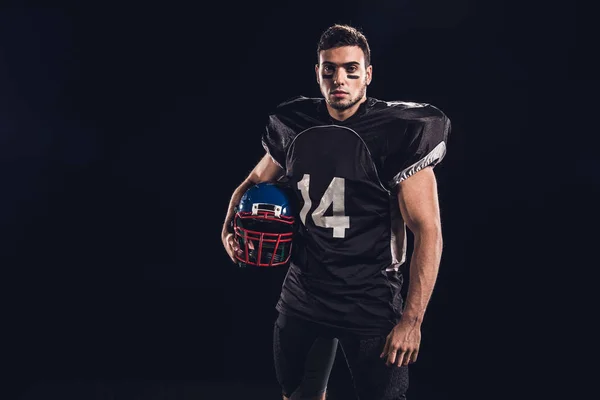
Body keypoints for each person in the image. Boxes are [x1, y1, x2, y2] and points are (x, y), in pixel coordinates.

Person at [221, 23, 450, 400]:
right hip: (304, 294)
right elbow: (252, 180)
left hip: (370, 300)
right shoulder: (295, 124)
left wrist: (412, 319)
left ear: (368, 75)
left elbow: (428, 231)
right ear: (318, 72)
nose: (339, 79)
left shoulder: (399, 131)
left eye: (350, 69)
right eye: (329, 69)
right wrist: (227, 225)